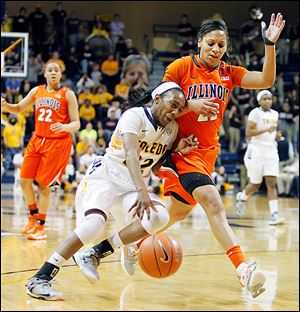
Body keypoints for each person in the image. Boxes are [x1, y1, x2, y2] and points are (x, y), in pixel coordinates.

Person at [74, 13, 285, 299]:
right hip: (179, 150)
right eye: (211, 43)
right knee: (212, 202)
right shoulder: (181, 67)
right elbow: (157, 106)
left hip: (207, 153)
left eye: (221, 45)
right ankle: (243, 270)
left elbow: (266, 79)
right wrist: (191, 106)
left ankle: (119, 246)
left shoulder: (228, 73)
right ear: (199, 42)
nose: (216, 49)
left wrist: (269, 44)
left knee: (176, 213)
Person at [25, 82, 198, 300]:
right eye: (172, 105)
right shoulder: (134, 116)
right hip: (104, 177)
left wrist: (176, 151)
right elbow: (132, 155)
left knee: (159, 216)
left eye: (179, 109)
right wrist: (143, 191)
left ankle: (95, 253)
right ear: (156, 99)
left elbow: (153, 165)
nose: (175, 112)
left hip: (130, 187)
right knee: (92, 226)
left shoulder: (172, 130)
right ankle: (39, 278)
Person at [1, 60, 80, 240]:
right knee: (24, 180)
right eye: (49, 70)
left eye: (56, 70)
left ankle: (41, 227)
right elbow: (19, 108)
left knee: (44, 186)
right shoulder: (36, 91)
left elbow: (76, 123)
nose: (53, 72)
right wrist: (5, 106)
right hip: (37, 139)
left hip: (57, 143)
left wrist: (65, 127)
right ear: (44, 74)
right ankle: (32, 217)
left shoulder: (68, 94)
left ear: (61, 74)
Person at [236, 90, 285, 225]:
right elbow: (248, 132)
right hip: (256, 149)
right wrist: (266, 130)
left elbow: (272, 131)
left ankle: (274, 214)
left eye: (269, 99)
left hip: (271, 150)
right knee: (255, 184)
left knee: (271, 183)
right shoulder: (255, 113)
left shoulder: (275, 114)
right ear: (259, 101)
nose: (268, 101)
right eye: (264, 99)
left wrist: (276, 135)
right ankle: (243, 197)